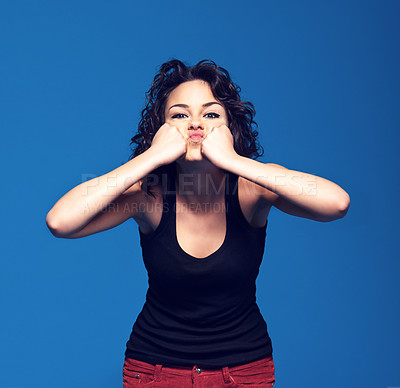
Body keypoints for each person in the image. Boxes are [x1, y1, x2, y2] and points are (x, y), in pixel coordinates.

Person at [46, 59, 350, 387]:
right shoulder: (147, 197)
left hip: (244, 370)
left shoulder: (252, 191)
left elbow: (336, 203)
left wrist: (234, 161)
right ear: (161, 131)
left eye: (211, 114)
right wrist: (149, 157)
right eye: (179, 114)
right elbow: (61, 221)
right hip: (153, 370)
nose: (195, 124)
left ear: (230, 128)